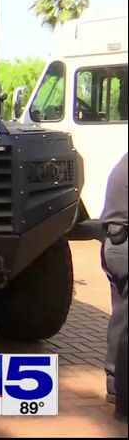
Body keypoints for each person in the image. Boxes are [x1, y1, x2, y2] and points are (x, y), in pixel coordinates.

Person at [101, 152, 128, 421]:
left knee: (122, 318)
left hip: (114, 245)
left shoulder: (124, 160)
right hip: (125, 245)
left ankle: (114, 382)